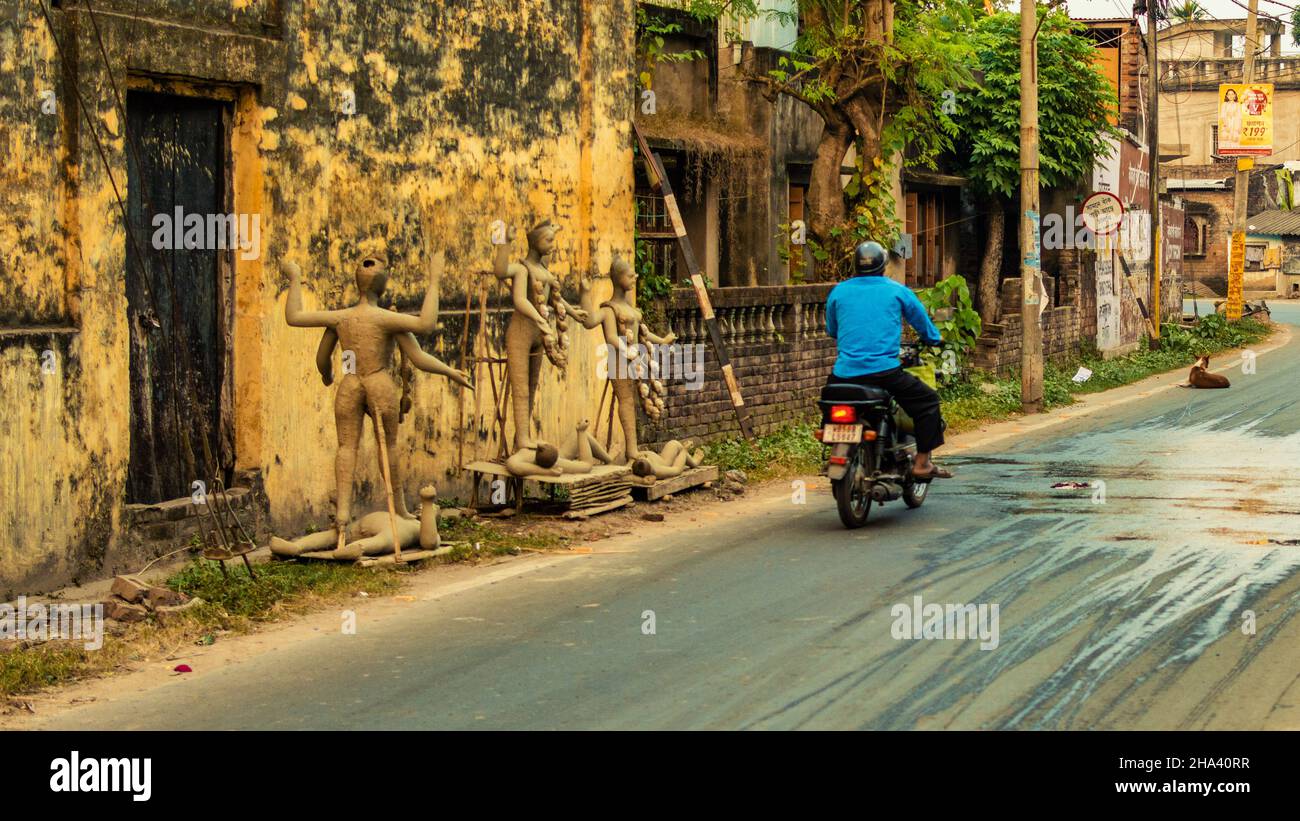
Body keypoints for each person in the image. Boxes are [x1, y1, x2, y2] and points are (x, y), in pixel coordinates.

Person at [825, 241, 952, 480]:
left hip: (843, 374)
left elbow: (832, 329)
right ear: (883, 267)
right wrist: (934, 338)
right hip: (884, 373)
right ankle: (922, 463)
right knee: (928, 402)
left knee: (829, 403)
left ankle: (834, 449)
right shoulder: (897, 290)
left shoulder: (839, 291)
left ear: (855, 266)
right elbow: (923, 323)